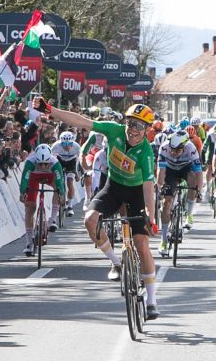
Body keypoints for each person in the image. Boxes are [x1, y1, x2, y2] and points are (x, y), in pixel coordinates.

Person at [51, 103, 160, 321]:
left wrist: (151, 215)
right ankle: (116, 261)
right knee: (90, 220)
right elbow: (82, 121)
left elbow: (148, 187)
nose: (133, 129)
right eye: (130, 123)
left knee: (141, 243)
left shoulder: (146, 152)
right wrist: (51, 110)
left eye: (138, 125)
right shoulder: (113, 130)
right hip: (113, 187)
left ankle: (151, 301)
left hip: (136, 192)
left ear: (147, 129)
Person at [156, 130, 202, 257]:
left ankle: (189, 214)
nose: (173, 153)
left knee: (193, 181)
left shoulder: (191, 148)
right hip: (170, 171)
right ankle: (163, 240)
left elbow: (198, 172)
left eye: (177, 151)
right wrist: (160, 188)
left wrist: (198, 189)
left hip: (185, 169)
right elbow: (161, 171)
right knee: (166, 204)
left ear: (184, 147)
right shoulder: (164, 147)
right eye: (172, 149)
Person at [18, 144, 65, 256]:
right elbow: (24, 179)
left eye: (45, 164)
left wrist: (61, 194)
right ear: (36, 160)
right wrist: (22, 192)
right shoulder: (30, 161)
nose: (43, 166)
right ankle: (29, 243)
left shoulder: (54, 163)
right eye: (40, 164)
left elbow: (59, 182)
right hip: (33, 177)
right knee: (30, 207)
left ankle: (52, 219)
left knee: (57, 189)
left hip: (50, 176)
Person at [52, 131, 81, 217]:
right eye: (64, 144)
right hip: (60, 160)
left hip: (71, 162)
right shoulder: (56, 146)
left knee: (70, 182)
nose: (66, 146)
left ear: (72, 143)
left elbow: (80, 161)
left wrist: (77, 172)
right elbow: (51, 160)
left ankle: (70, 206)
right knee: (58, 179)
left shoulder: (77, 147)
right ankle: (60, 195)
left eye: (68, 144)